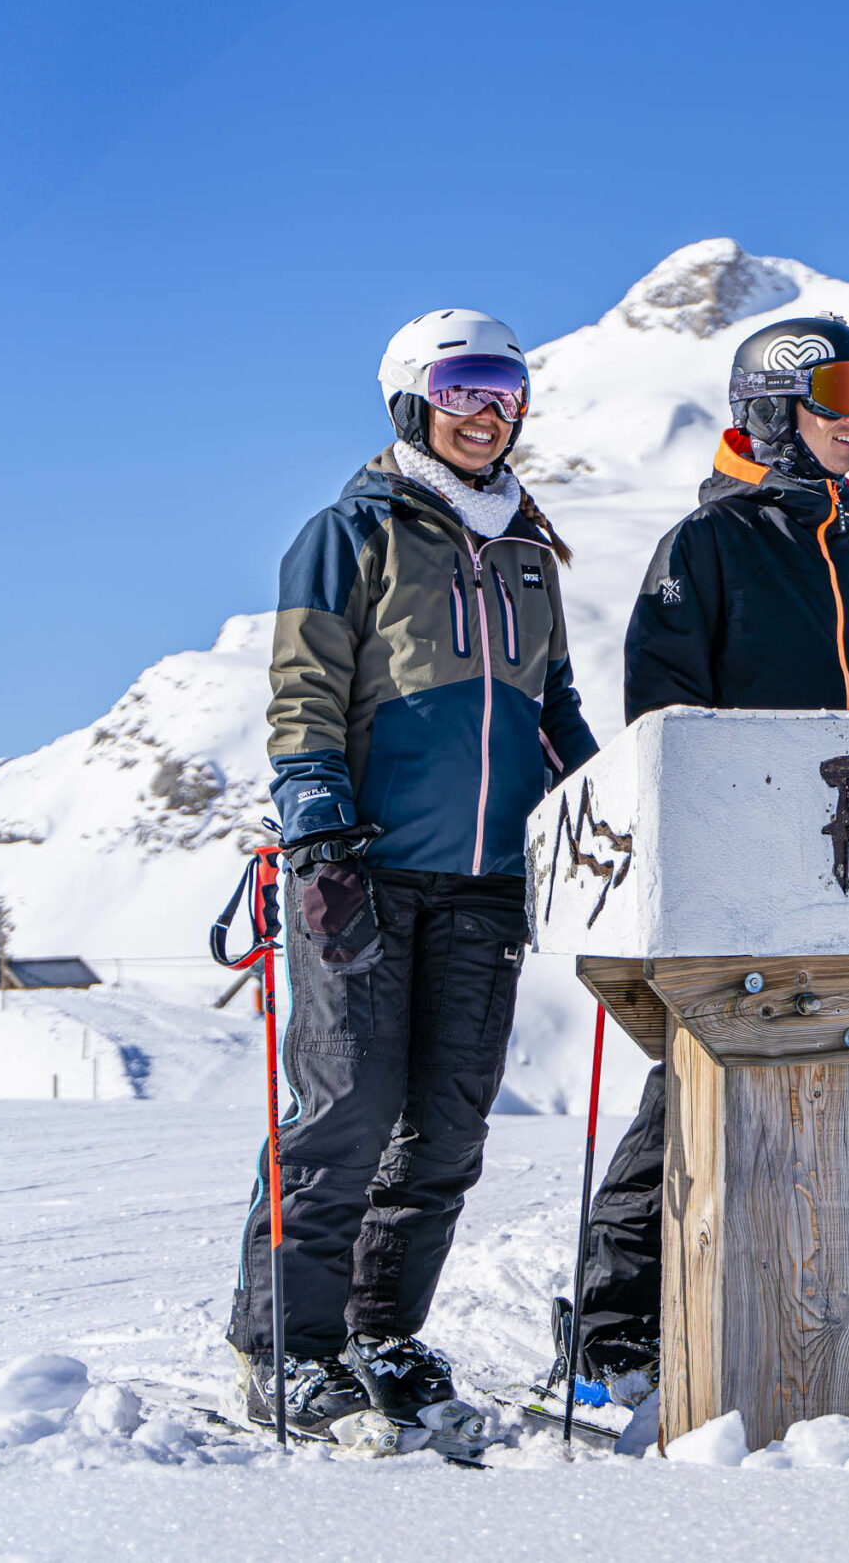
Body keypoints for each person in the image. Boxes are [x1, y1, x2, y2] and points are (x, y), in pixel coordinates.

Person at [563, 315, 849, 1408]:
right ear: (772, 408)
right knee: (694, 1089)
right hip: (744, 885)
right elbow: (664, 712)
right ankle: (613, 1327)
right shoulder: (706, 548)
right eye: (835, 392)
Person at [238, 309, 600, 1449]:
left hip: (487, 879)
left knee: (445, 1127)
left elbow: (556, 714)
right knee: (346, 1111)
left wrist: (602, 808)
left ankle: (379, 1333)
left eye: (506, 390)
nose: (490, 413)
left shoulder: (531, 552)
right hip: (366, 866)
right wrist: (316, 818)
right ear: (410, 401)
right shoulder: (355, 532)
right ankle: (286, 1352)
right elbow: (303, 688)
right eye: (464, 389)